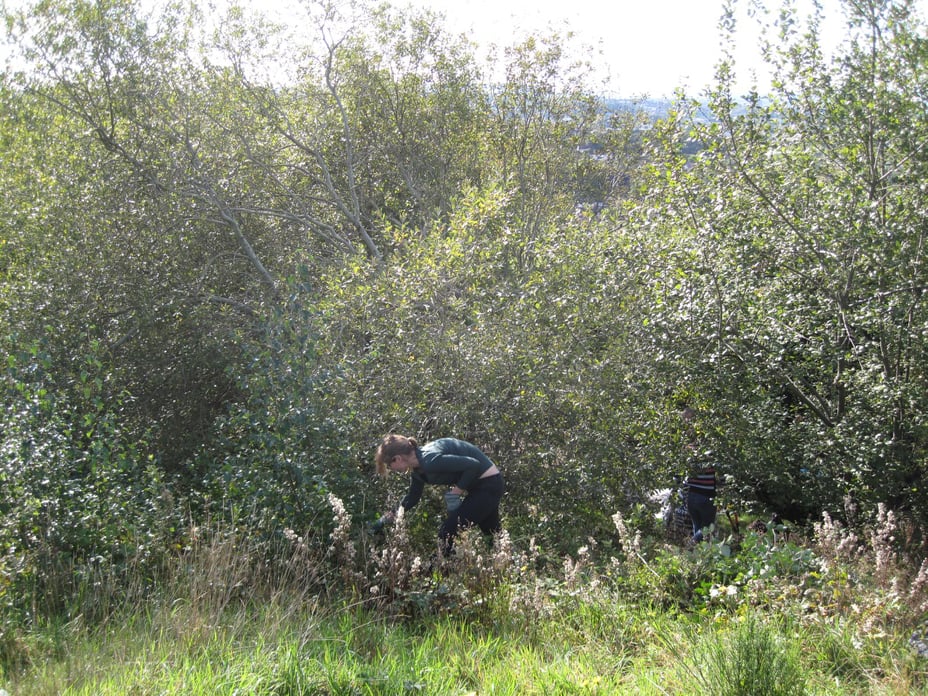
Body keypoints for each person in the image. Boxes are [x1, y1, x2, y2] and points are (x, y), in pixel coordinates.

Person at [368, 434, 504, 556]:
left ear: (397, 459)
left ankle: (442, 571)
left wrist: (457, 490)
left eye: (389, 465)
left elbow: (473, 465)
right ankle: (506, 566)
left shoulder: (430, 460)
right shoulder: (418, 470)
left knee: (448, 532)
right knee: (493, 536)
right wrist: (389, 516)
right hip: (484, 486)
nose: (391, 469)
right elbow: (413, 498)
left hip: (488, 485)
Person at [681, 407, 717, 543]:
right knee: (706, 529)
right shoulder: (709, 447)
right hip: (706, 495)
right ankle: (691, 545)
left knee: (698, 528)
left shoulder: (687, 448)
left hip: (692, 495)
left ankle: (697, 552)